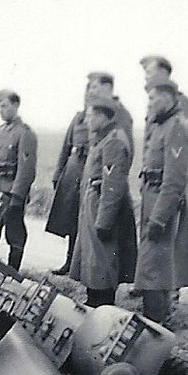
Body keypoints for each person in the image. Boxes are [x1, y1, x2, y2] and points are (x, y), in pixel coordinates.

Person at [133, 78, 188, 326]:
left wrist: (160, 217)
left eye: (153, 98)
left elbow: (175, 180)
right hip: (152, 197)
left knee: (155, 270)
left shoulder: (177, 127)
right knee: (151, 269)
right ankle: (154, 323)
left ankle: (156, 326)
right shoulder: (161, 126)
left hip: (162, 203)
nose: (149, 104)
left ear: (168, 97)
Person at [69, 95, 137, 307]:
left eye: (90, 116)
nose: (87, 121)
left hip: (103, 208)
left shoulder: (114, 141)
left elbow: (113, 186)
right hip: (93, 205)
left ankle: (102, 306)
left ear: (101, 116)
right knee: (93, 261)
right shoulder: (103, 137)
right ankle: (93, 301)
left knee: (103, 263)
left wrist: (104, 222)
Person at [0, 89, 37, 272]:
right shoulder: (1, 130)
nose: (1, 110)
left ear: (16, 105)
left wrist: (17, 197)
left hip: (11, 191)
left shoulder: (25, 133)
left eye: (4, 106)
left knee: (15, 235)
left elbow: (26, 169)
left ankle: (12, 272)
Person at [45, 83, 92, 275]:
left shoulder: (104, 119)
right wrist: (58, 173)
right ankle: (69, 263)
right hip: (72, 169)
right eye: (87, 94)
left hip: (89, 169)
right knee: (71, 218)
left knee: (87, 219)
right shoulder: (78, 118)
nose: (89, 98)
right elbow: (65, 146)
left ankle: (84, 267)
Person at [140, 55, 188, 159]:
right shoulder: (155, 103)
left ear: (163, 73)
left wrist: (178, 167)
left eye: (149, 72)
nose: (146, 77)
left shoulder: (179, 101)